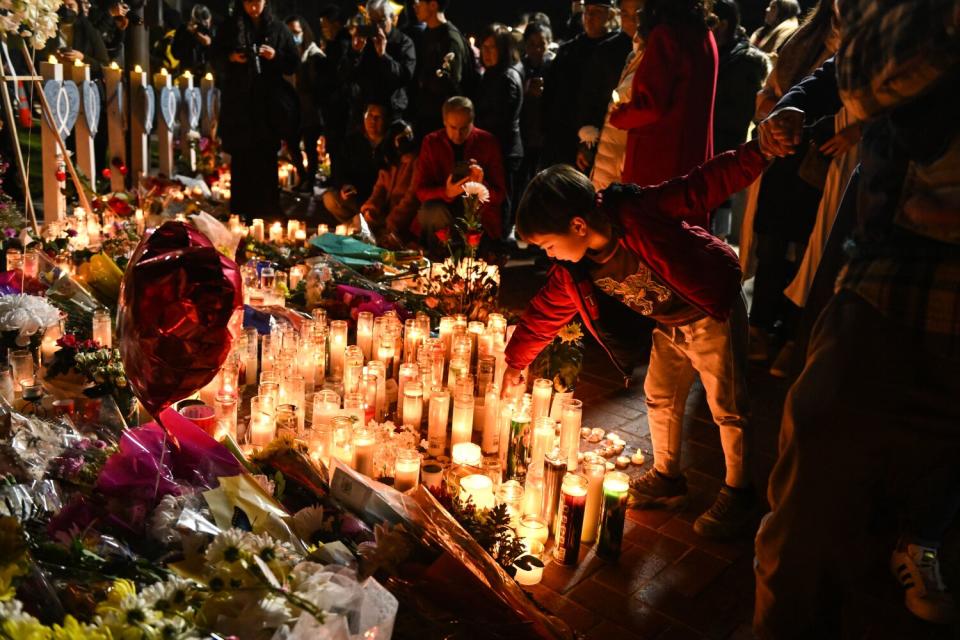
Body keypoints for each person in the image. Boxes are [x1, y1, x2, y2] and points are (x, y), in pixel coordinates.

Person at [753, 0, 960, 634]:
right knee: (815, 480)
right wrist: (801, 101)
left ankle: (919, 541)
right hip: (897, 277)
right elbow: (863, 64)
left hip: (925, 278)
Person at [504, 140, 770, 539]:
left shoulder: (638, 213)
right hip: (668, 323)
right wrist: (515, 363)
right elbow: (544, 314)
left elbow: (702, 185)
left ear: (578, 225)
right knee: (659, 394)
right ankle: (667, 478)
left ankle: (740, 491)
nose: (551, 254)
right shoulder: (575, 271)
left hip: (710, 310)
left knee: (727, 405)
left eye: (549, 244)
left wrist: (761, 149)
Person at [745, 0, 840, 367]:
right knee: (772, 239)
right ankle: (759, 326)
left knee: (807, 247)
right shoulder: (807, 37)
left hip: (823, 157)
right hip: (786, 153)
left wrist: (848, 130)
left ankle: (791, 332)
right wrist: (777, 104)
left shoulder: (865, 44)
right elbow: (798, 84)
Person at [609, 0, 718, 229]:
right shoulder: (705, 34)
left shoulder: (666, 35)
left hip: (658, 161)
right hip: (691, 157)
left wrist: (620, 115)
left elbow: (651, 105)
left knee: (652, 237)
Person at [212, 0, 299, 221]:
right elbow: (214, 56)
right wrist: (231, 58)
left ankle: (267, 208)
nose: (253, 7)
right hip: (239, 105)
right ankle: (241, 210)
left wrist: (275, 56)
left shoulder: (278, 28)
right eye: (248, 1)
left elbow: (293, 62)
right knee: (241, 159)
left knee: (266, 156)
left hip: (267, 107)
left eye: (257, 1)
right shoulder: (230, 27)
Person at [710, 0, 770, 239]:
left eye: (711, 21)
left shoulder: (745, 62)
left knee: (719, 206)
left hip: (724, 144)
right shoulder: (718, 53)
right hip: (710, 141)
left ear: (723, 24)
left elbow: (739, 112)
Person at [413, 96, 507, 248]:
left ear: (473, 122)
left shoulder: (487, 142)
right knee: (432, 211)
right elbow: (421, 192)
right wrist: (446, 192)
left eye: (464, 128)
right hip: (443, 210)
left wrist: (481, 184)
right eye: (453, 128)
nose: (458, 135)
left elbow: (500, 195)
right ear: (444, 122)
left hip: (478, 213)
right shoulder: (432, 142)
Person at [541, 0, 618, 168]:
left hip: (597, 138)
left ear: (609, 15)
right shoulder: (568, 50)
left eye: (596, 12)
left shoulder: (615, 50)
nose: (589, 17)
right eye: (587, 11)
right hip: (562, 137)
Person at [574, 0, 635, 174]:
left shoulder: (652, 46)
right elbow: (589, 97)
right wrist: (587, 142)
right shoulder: (607, 50)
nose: (632, 19)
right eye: (625, 13)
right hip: (606, 135)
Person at [588, 0, 644, 190]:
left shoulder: (652, 54)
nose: (631, 20)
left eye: (637, 13)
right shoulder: (630, 53)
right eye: (625, 13)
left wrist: (620, 115)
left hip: (623, 162)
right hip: (610, 152)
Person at [475, 24, 523, 223]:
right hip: (494, 149)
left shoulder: (506, 77)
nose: (486, 53)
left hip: (504, 150)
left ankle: (502, 244)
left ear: (503, 49)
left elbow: (501, 118)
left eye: (491, 47)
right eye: (483, 47)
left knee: (502, 201)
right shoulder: (491, 74)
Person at [410, 0, 474, 140]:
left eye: (420, 2)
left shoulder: (450, 39)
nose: (415, 4)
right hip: (427, 118)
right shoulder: (428, 32)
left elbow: (452, 85)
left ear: (433, 5)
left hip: (443, 125)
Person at [345, 0, 416, 124]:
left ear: (392, 19)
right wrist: (354, 53)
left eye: (381, 21)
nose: (377, 26)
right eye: (372, 22)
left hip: (392, 113)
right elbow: (346, 76)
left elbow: (405, 76)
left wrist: (383, 55)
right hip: (365, 111)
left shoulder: (404, 42)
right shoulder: (365, 42)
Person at [323, 102, 389, 224]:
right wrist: (344, 184)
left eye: (378, 117)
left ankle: (361, 226)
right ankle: (357, 226)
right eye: (370, 116)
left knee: (367, 220)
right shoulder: (352, 142)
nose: (373, 121)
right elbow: (339, 168)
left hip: (380, 200)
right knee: (330, 199)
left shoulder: (391, 145)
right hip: (357, 195)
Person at [361, 119, 420, 246]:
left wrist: (392, 222)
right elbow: (380, 189)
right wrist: (371, 208)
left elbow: (411, 198)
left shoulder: (416, 162)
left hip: (405, 221)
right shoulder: (391, 160)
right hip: (387, 217)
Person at [284, 15, 324, 192]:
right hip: (293, 109)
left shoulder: (314, 54)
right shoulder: (287, 54)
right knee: (292, 144)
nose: (293, 36)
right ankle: (303, 176)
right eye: (289, 33)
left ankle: (311, 180)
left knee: (309, 145)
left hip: (310, 109)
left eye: (296, 32)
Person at [315, 4, 353, 176]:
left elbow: (336, 76)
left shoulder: (343, 45)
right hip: (333, 106)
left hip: (339, 107)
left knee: (340, 151)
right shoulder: (333, 45)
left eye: (325, 25)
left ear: (336, 24)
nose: (323, 30)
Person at [518, 22, 554, 196]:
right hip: (524, 135)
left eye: (542, 44)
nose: (537, 49)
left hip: (545, 135)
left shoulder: (554, 68)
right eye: (532, 44)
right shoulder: (519, 69)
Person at [43, 0, 109, 75]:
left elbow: (104, 64)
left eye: (71, 6)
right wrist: (54, 56)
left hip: (81, 80)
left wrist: (82, 58)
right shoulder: (47, 28)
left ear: (78, 8)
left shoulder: (89, 31)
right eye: (62, 7)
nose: (66, 10)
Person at [172, 4, 215, 77]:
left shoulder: (209, 33)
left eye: (206, 23)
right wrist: (188, 37)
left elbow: (215, 57)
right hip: (186, 74)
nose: (202, 26)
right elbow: (176, 54)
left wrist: (209, 44)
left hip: (206, 75)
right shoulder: (183, 30)